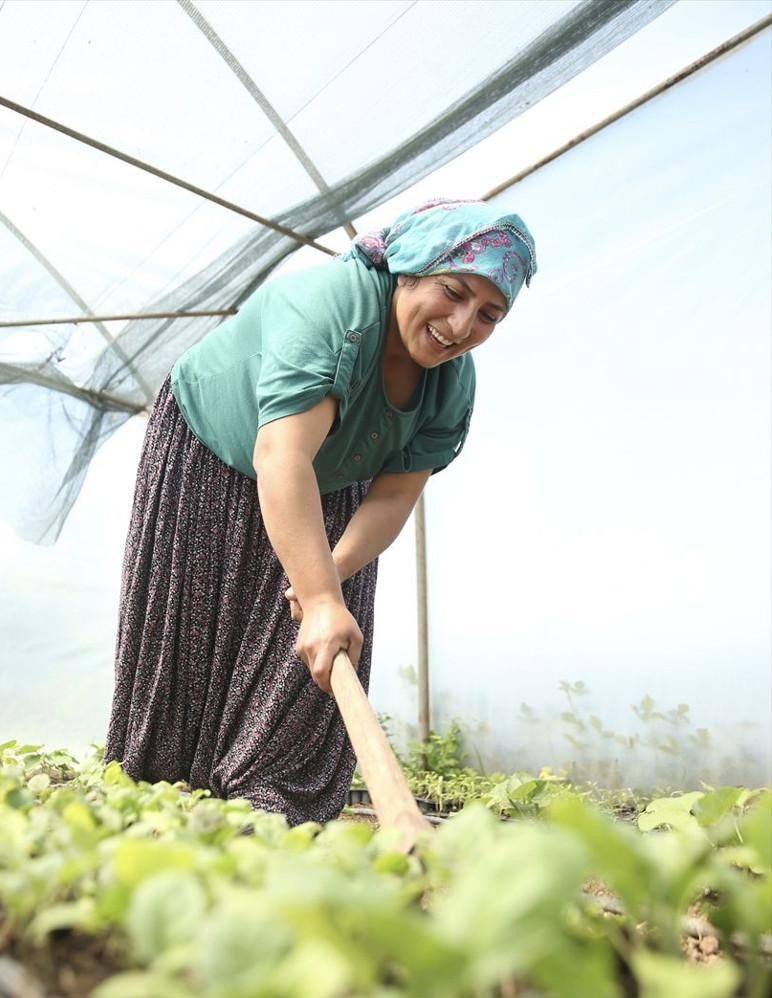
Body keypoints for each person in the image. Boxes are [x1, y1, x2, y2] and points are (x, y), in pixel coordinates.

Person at [105, 197, 537, 825]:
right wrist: (321, 594)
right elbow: (283, 457)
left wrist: (326, 580)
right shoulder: (331, 309)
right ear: (411, 269)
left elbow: (392, 497)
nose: (463, 323)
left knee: (321, 644)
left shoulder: (452, 385)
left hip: (337, 482)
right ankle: (158, 799)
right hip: (215, 450)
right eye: (452, 291)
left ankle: (274, 810)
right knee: (191, 635)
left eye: (489, 314)